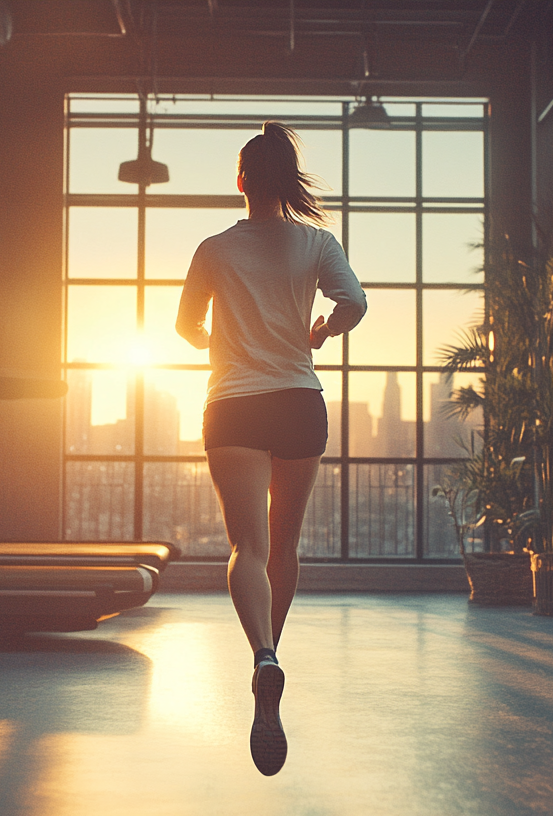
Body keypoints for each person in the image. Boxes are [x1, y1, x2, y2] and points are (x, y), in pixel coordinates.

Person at [176, 121, 366, 776]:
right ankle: (269, 656)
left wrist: (224, 343)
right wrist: (322, 328)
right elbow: (356, 302)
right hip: (296, 402)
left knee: (245, 549)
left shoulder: (213, 248)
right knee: (283, 548)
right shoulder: (316, 242)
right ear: (287, 183)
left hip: (232, 403)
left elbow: (183, 327)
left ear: (241, 182)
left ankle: (261, 653)